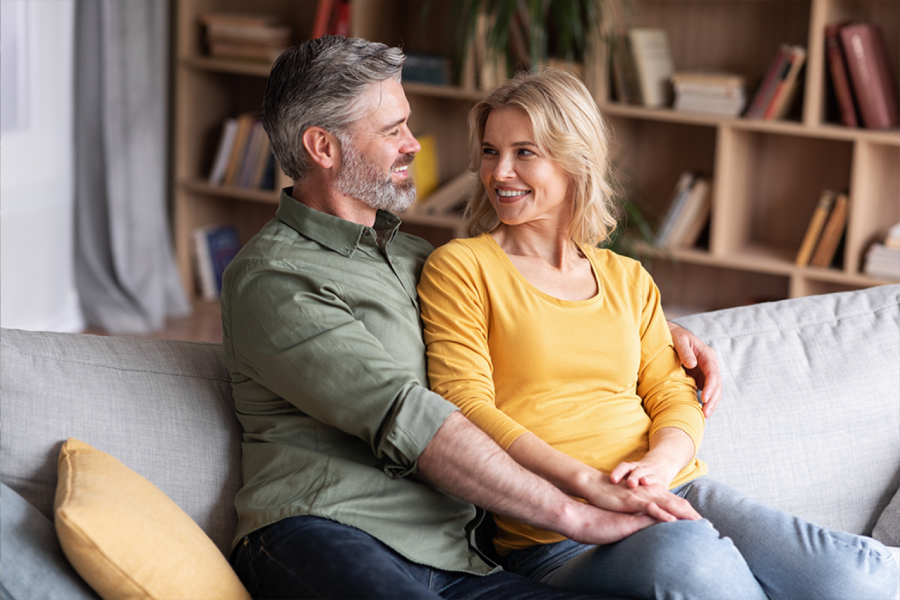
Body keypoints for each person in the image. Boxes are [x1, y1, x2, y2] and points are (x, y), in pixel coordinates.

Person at [221, 36, 724, 600]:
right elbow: (411, 419)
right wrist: (576, 513)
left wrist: (657, 331)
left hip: (459, 556)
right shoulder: (274, 278)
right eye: (393, 130)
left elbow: (522, 319)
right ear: (323, 147)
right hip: (326, 529)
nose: (414, 144)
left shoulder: (419, 259)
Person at [416, 67, 900, 600]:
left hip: (675, 485)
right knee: (696, 565)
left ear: (575, 158)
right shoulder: (462, 267)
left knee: (855, 575)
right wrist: (588, 484)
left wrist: (654, 469)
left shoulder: (627, 278)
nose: (499, 171)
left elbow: (673, 394)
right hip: (559, 533)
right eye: (489, 151)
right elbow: (463, 403)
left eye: (524, 152)